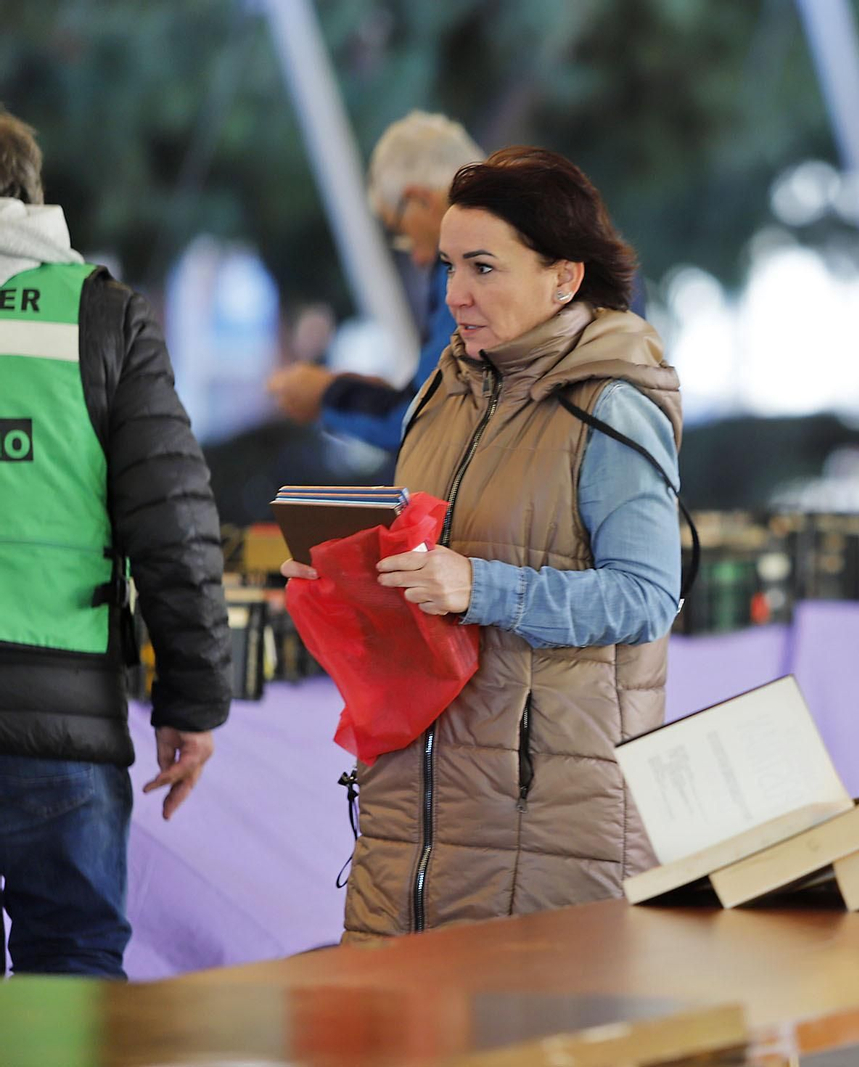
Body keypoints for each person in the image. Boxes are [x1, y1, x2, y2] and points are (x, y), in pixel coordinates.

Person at [283, 146, 682, 939]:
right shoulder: (440, 393)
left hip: (547, 828)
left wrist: (482, 588)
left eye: (484, 268)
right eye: (447, 267)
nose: (455, 294)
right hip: (411, 810)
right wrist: (353, 574)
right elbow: (431, 561)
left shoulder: (610, 406)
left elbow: (647, 597)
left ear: (564, 277)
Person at [0, 110, 231, 977]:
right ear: (31, 198)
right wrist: (193, 699)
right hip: (63, 721)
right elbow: (174, 521)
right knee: (72, 964)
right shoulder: (102, 317)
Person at [266, 112, 482, 451]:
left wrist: (326, 396)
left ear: (420, 200)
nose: (417, 257)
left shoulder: (466, 267)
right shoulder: (527, 245)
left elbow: (423, 423)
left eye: (400, 230)